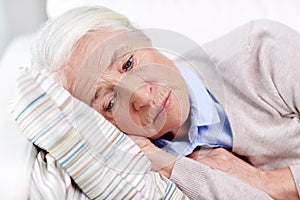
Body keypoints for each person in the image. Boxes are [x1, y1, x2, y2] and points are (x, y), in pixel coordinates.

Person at [32, 6, 300, 200]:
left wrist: (268, 182)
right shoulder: (146, 169)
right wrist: (167, 165)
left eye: (128, 63)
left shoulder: (262, 51)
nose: (144, 98)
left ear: (144, 39)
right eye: (111, 103)